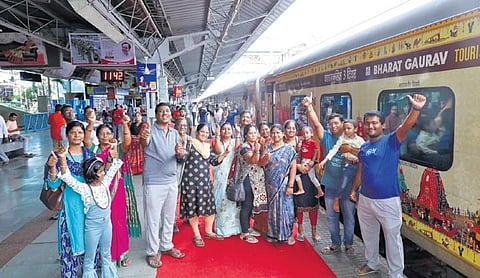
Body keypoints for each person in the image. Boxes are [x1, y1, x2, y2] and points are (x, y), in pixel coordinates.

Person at [350, 94, 427, 277]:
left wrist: (415, 108)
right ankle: (372, 263)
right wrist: (354, 190)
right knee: (368, 235)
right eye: (368, 123)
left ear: (383, 125)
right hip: (366, 199)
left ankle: (396, 274)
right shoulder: (364, 148)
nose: (371, 126)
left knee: (392, 239)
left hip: (387, 201)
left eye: (375, 123)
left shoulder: (392, 141)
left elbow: (406, 126)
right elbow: (361, 170)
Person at [55, 145, 123, 278]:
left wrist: (112, 154)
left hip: (107, 225)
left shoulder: (104, 183)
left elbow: (114, 168)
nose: (104, 173)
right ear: (94, 174)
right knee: (89, 259)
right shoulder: (84, 189)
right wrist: (62, 158)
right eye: (101, 171)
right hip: (92, 228)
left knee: (106, 254)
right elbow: (67, 178)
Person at [84, 110, 141, 267]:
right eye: (101, 133)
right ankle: (105, 256)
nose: (105, 136)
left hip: (117, 188)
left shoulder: (118, 148)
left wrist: (124, 124)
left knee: (119, 219)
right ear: (97, 135)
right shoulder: (94, 150)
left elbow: (128, 142)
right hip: (100, 190)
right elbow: (86, 140)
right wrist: (90, 123)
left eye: (108, 133)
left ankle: (122, 253)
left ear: (112, 134)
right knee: (103, 221)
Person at [303, 94, 356, 255]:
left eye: (336, 123)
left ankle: (349, 244)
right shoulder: (326, 137)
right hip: (331, 184)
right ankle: (335, 243)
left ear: (342, 125)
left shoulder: (351, 140)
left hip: (347, 187)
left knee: (349, 216)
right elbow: (316, 124)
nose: (333, 126)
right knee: (332, 217)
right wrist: (309, 107)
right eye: (331, 124)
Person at [45, 121, 97, 277]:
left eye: (80, 132)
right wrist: (53, 167)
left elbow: (97, 178)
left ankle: (90, 271)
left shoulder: (90, 154)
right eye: (73, 132)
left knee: (91, 238)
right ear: (67, 134)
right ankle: (70, 273)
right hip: (70, 205)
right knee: (69, 239)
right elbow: (53, 185)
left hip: (89, 204)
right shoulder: (59, 155)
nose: (76, 135)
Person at [140, 103, 186, 268]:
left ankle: (166, 245)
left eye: (167, 111)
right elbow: (144, 142)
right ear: (156, 114)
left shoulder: (175, 133)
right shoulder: (149, 131)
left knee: (169, 217)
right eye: (161, 111)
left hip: (171, 180)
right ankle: (152, 251)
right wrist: (144, 137)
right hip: (154, 182)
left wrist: (181, 154)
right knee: (153, 219)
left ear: (170, 115)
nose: (164, 113)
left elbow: (180, 155)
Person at [180, 123, 231, 247]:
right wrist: (180, 149)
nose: (204, 134)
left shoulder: (206, 147)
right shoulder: (190, 143)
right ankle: (197, 235)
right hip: (190, 183)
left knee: (210, 207)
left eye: (207, 132)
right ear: (197, 132)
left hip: (205, 183)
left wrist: (224, 154)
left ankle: (208, 231)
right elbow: (182, 158)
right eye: (202, 132)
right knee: (193, 209)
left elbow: (213, 161)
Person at [259, 124, 297, 245]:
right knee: (273, 210)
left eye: (278, 133)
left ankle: (288, 234)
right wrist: (266, 157)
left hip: (284, 183)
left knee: (287, 209)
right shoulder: (267, 148)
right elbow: (262, 164)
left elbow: (293, 167)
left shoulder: (289, 149)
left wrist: (291, 184)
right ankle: (273, 234)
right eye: (273, 133)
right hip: (271, 184)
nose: (276, 135)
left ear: (283, 134)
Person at [319, 119, 364, 213]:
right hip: (347, 165)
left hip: (358, 166)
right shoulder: (342, 139)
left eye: (349, 128)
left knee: (361, 183)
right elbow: (334, 150)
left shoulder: (360, 140)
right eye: (345, 129)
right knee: (343, 183)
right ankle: (336, 199)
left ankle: (356, 199)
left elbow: (364, 152)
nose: (346, 131)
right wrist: (325, 160)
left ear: (355, 129)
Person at [234, 124, 268, 243]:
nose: (254, 135)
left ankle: (248, 227)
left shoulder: (255, 145)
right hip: (247, 180)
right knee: (246, 205)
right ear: (245, 135)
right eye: (251, 133)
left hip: (256, 181)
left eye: (255, 133)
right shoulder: (244, 147)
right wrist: (258, 150)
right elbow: (253, 160)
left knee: (250, 205)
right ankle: (244, 232)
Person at [211, 122, 241, 237]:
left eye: (229, 129)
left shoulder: (234, 142)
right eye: (224, 129)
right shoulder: (218, 142)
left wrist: (238, 133)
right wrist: (217, 134)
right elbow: (218, 151)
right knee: (220, 200)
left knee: (232, 200)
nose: (226, 131)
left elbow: (238, 150)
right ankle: (221, 228)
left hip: (232, 174)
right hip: (220, 175)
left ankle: (234, 228)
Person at [295, 126, 323, 197]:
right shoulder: (303, 142)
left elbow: (316, 151)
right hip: (303, 160)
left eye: (307, 133)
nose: (305, 135)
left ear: (311, 134)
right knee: (311, 177)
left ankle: (319, 191)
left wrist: (312, 161)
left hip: (308, 161)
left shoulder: (312, 142)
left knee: (300, 176)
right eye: (303, 133)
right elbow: (300, 152)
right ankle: (319, 191)